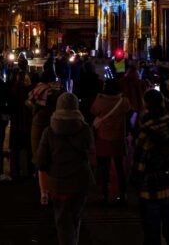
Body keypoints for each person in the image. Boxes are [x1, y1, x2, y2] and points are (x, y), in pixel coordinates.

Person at [35, 92, 96, 245]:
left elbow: (41, 163)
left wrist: (43, 190)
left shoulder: (49, 131)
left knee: (62, 222)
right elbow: (92, 156)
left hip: (58, 183)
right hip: (81, 182)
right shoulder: (85, 129)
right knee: (75, 218)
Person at [132, 89, 169, 245]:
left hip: (151, 189)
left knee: (152, 233)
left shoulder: (146, 131)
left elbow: (139, 163)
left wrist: (135, 181)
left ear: (147, 105)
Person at [91, 79, 131, 204]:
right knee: (120, 168)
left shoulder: (101, 100)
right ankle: (123, 194)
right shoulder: (123, 101)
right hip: (119, 137)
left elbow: (93, 111)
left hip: (104, 137)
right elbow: (129, 111)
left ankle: (104, 194)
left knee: (104, 167)